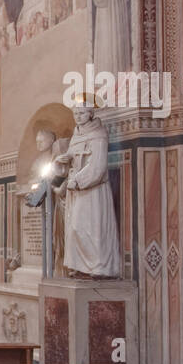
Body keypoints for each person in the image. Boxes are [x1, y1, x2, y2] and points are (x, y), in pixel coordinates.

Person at [53, 98, 121, 279]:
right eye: (75, 113)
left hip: (92, 190)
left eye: (82, 113)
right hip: (76, 190)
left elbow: (98, 166)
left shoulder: (98, 134)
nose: (78, 117)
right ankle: (79, 266)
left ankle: (98, 267)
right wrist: (65, 159)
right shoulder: (77, 134)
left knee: (92, 227)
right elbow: (75, 157)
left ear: (91, 114)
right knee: (75, 228)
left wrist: (78, 181)